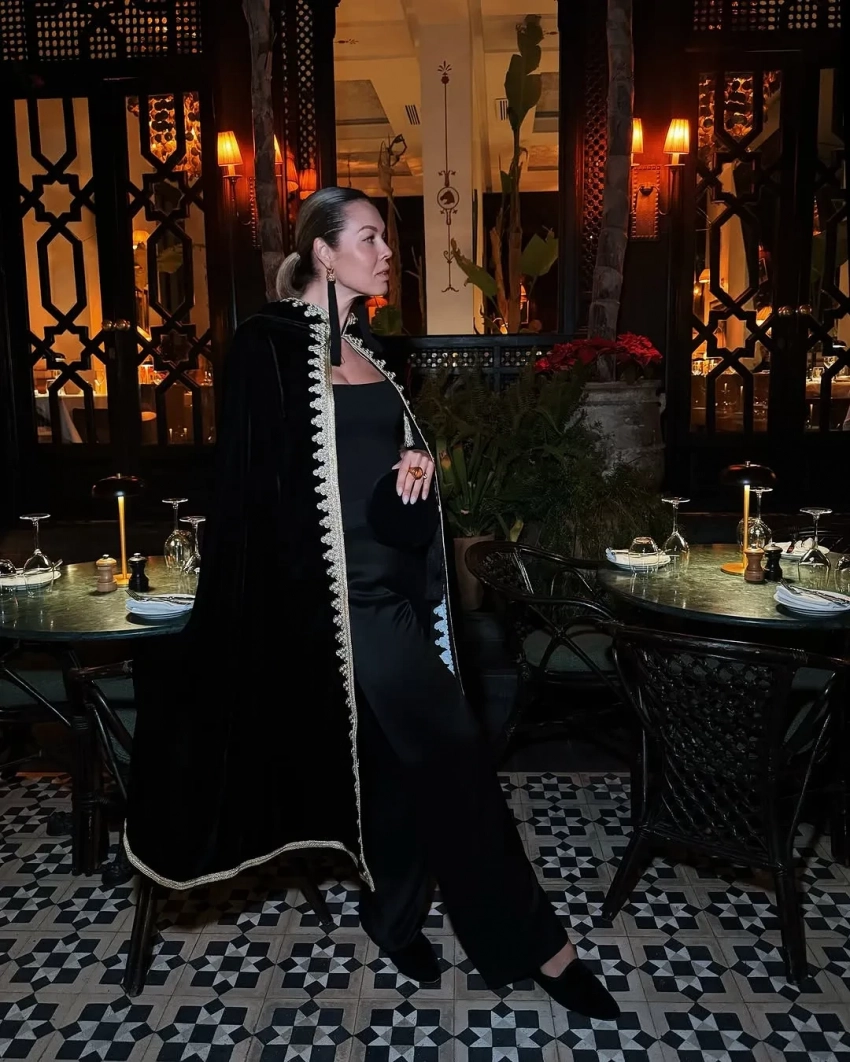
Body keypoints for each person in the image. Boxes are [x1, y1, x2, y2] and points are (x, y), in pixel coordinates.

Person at [124, 186, 618, 1020]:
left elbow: (382, 505)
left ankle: (392, 919)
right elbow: (252, 495)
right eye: (369, 238)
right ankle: (541, 947)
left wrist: (410, 480)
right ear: (323, 252)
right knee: (458, 761)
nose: (388, 252)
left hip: (396, 595)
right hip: (338, 608)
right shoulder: (266, 349)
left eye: (385, 238)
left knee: (395, 771)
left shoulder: (375, 354)